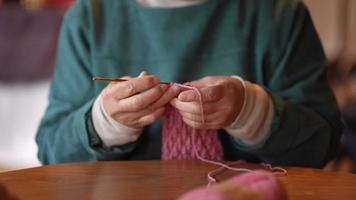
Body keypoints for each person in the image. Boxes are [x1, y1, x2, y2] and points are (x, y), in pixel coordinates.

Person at [36, 0, 342, 167]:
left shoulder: (279, 15)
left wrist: (250, 110)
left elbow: (320, 148)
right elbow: (52, 152)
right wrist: (104, 121)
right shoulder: (89, 18)